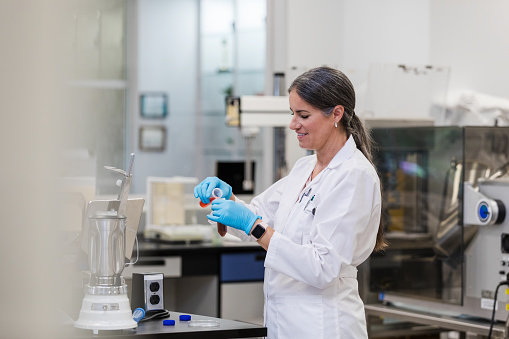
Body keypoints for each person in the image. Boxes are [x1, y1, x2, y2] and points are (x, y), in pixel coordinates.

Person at [194, 66, 386, 339]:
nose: (293, 124)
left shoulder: (353, 175)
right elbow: (258, 215)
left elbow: (322, 267)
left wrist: (254, 226)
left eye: (303, 115)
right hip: (284, 325)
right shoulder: (304, 167)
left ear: (337, 114)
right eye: (292, 113)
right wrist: (227, 200)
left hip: (325, 326)